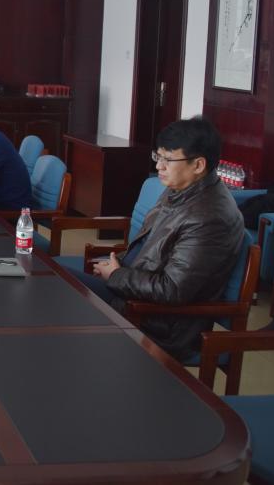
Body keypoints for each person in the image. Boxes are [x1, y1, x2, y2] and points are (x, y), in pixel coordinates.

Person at [74, 117, 246, 361]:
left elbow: (172, 289)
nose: (159, 166)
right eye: (158, 157)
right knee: (58, 281)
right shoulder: (181, 190)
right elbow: (150, 248)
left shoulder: (209, 218)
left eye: (168, 159)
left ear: (198, 165)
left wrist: (116, 275)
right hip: (134, 294)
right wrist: (117, 265)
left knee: (63, 293)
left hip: (158, 322)